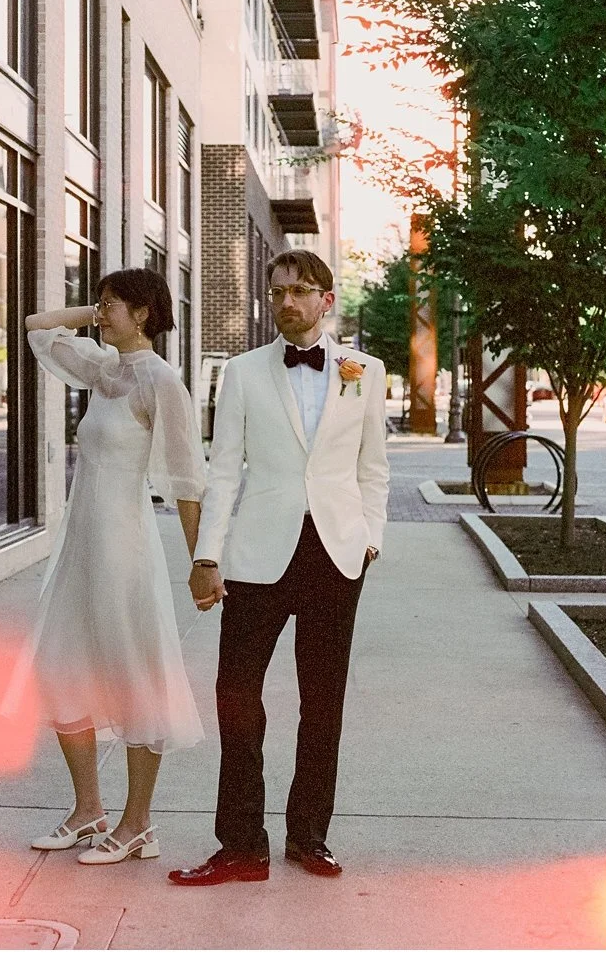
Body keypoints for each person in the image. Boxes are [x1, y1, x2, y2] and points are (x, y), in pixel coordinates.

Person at [169, 250, 389, 885]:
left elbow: (372, 468)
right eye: (277, 292)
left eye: (300, 291)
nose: (286, 302)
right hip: (257, 556)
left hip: (336, 554)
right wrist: (206, 554)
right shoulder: (240, 373)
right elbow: (222, 470)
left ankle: (308, 837)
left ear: (326, 300)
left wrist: (370, 539)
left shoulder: (364, 372)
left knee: (323, 703)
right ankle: (240, 846)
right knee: (236, 697)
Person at [3, 268, 206, 865]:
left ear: (143, 313)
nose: (100, 311)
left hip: (123, 547)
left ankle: (138, 823)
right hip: (80, 545)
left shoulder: (160, 382)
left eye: (112, 303)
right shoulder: (104, 369)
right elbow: (37, 329)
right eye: (100, 302)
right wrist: (91, 316)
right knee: (63, 668)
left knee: (133, 674)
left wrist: (203, 562)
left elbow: (186, 480)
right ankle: (88, 810)